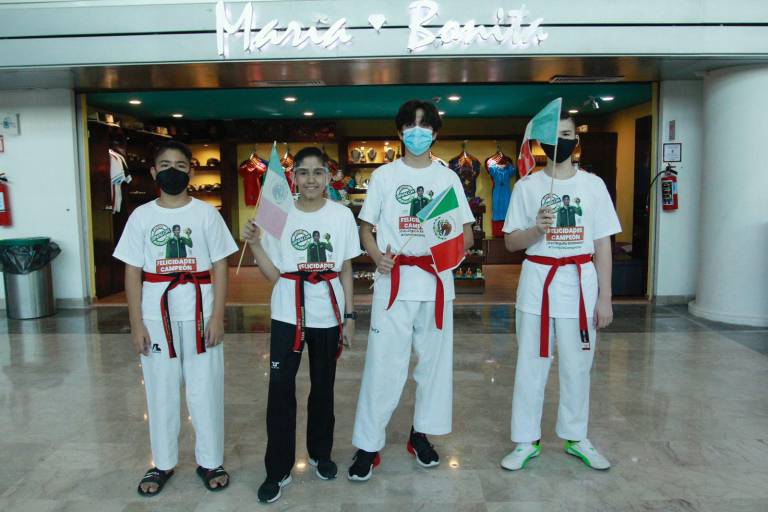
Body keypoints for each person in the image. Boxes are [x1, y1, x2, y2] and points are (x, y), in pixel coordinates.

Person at [348, 100, 475, 482]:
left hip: (436, 284)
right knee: (384, 364)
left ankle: (421, 434)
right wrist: (377, 258)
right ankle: (368, 444)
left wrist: (447, 251)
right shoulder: (384, 176)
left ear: (434, 133)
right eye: (410, 126)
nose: (417, 132)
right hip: (394, 282)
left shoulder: (447, 178)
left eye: (424, 126)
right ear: (400, 132)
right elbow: (365, 228)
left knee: (433, 366)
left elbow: (466, 234)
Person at [113, 140, 238, 497]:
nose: (173, 171)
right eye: (165, 165)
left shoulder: (206, 214)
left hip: (201, 313)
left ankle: (210, 460)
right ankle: (163, 462)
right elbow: (132, 271)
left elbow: (220, 266)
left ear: (191, 172)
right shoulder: (141, 217)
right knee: (161, 391)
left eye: (181, 166)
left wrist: (218, 316)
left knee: (205, 389)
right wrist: (137, 323)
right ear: (154, 172)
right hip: (157, 316)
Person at [500, 112, 621, 472]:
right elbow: (511, 242)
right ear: (541, 143)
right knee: (530, 364)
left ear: (576, 141)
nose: (561, 141)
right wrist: (536, 230)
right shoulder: (527, 186)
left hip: (580, 284)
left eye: (567, 134)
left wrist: (605, 297)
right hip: (538, 282)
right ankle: (526, 439)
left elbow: (603, 244)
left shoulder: (593, 186)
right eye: (553, 135)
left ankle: (576, 436)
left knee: (578, 365)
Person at [242, 146, 361, 504]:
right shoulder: (279, 213)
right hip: (287, 313)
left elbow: (345, 268)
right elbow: (273, 274)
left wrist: (350, 316)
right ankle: (277, 468)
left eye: (317, 172)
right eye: (304, 172)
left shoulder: (341, 215)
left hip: (328, 314)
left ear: (328, 176)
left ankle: (321, 453)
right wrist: (255, 245)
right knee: (280, 390)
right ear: (293, 177)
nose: (311, 179)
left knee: (323, 386)